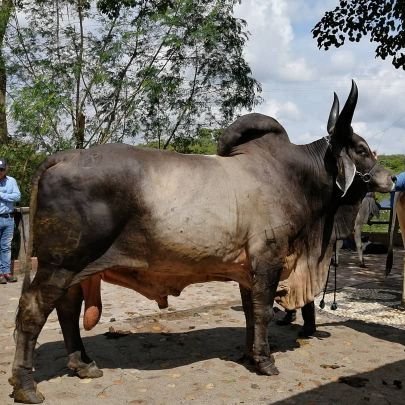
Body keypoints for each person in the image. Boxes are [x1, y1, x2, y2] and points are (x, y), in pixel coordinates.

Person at [0, 157, 21, 284]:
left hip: (8, 219)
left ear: (5, 169)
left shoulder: (11, 181)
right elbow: (12, 197)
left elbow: (17, 196)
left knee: (6, 247)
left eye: (1, 169)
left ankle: (6, 272)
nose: (0, 172)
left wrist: (1, 195)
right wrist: (9, 197)